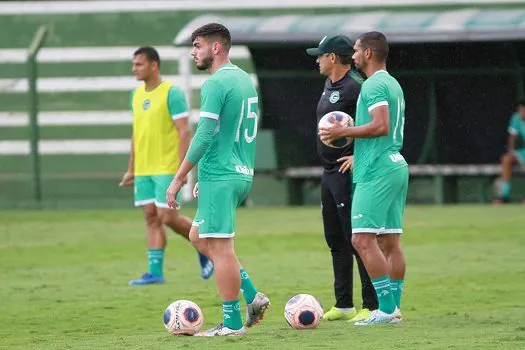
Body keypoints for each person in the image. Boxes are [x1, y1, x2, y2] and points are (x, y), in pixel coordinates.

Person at [166, 23, 270, 336]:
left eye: (197, 45)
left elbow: (204, 134)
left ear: (216, 48)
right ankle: (252, 294)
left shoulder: (215, 84)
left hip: (222, 175)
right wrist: (206, 175)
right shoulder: (243, 80)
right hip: (238, 173)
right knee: (198, 237)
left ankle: (232, 323)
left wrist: (179, 178)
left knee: (221, 248)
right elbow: (228, 131)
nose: (193, 52)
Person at [320, 31, 407, 326]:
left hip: (378, 168)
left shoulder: (373, 85)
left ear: (368, 53)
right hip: (395, 163)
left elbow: (381, 125)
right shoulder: (392, 83)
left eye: (356, 51)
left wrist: (342, 132)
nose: (353, 56)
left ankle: (383, 309)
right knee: (389, 241)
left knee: (361, 238)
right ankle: (393, 307)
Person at [120, 46, 214, 285]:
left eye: (139, 64)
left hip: (166, 166)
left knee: (168, 217)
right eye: (133, 64)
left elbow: (185, 131)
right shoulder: (136, 95)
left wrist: (182, 170)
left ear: (154, 65)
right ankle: (154, 273)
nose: (134, 69)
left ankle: (205, 248)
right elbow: (136, 133)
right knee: (151, 217)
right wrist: (132, 167)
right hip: (144, 168)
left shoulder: (171, 93)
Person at [306, 35, 377, 323]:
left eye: (320, 55)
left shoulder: (357, 87)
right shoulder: (329, 84)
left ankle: (370, 305)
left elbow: (378, 124)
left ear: (333, 57)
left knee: (358, 239)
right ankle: (343, 303)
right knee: (335, 240)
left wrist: (358, 157)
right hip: (328, 172)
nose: (317, 60)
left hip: (349, 172)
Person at [493, 100, 525, 204]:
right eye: (520, 110)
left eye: (523, 110)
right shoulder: (516, 118)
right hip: (522, 151)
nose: (522, 113)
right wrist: (511, 151)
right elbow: (512, 137)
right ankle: (504, 196)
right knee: (506, 159)